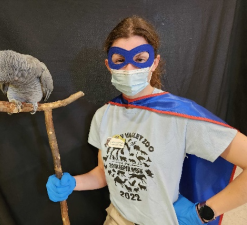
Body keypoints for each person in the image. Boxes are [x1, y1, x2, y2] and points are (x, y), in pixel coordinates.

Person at [46, 16, 247, 225]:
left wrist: (204, 212)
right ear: (109, 65)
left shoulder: (180, 116)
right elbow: (104, 174)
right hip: (116, 219)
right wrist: (71, 183)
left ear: (155, 62)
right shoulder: (104, 115)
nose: (129, 69)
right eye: (120, 60)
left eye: (140, 59)